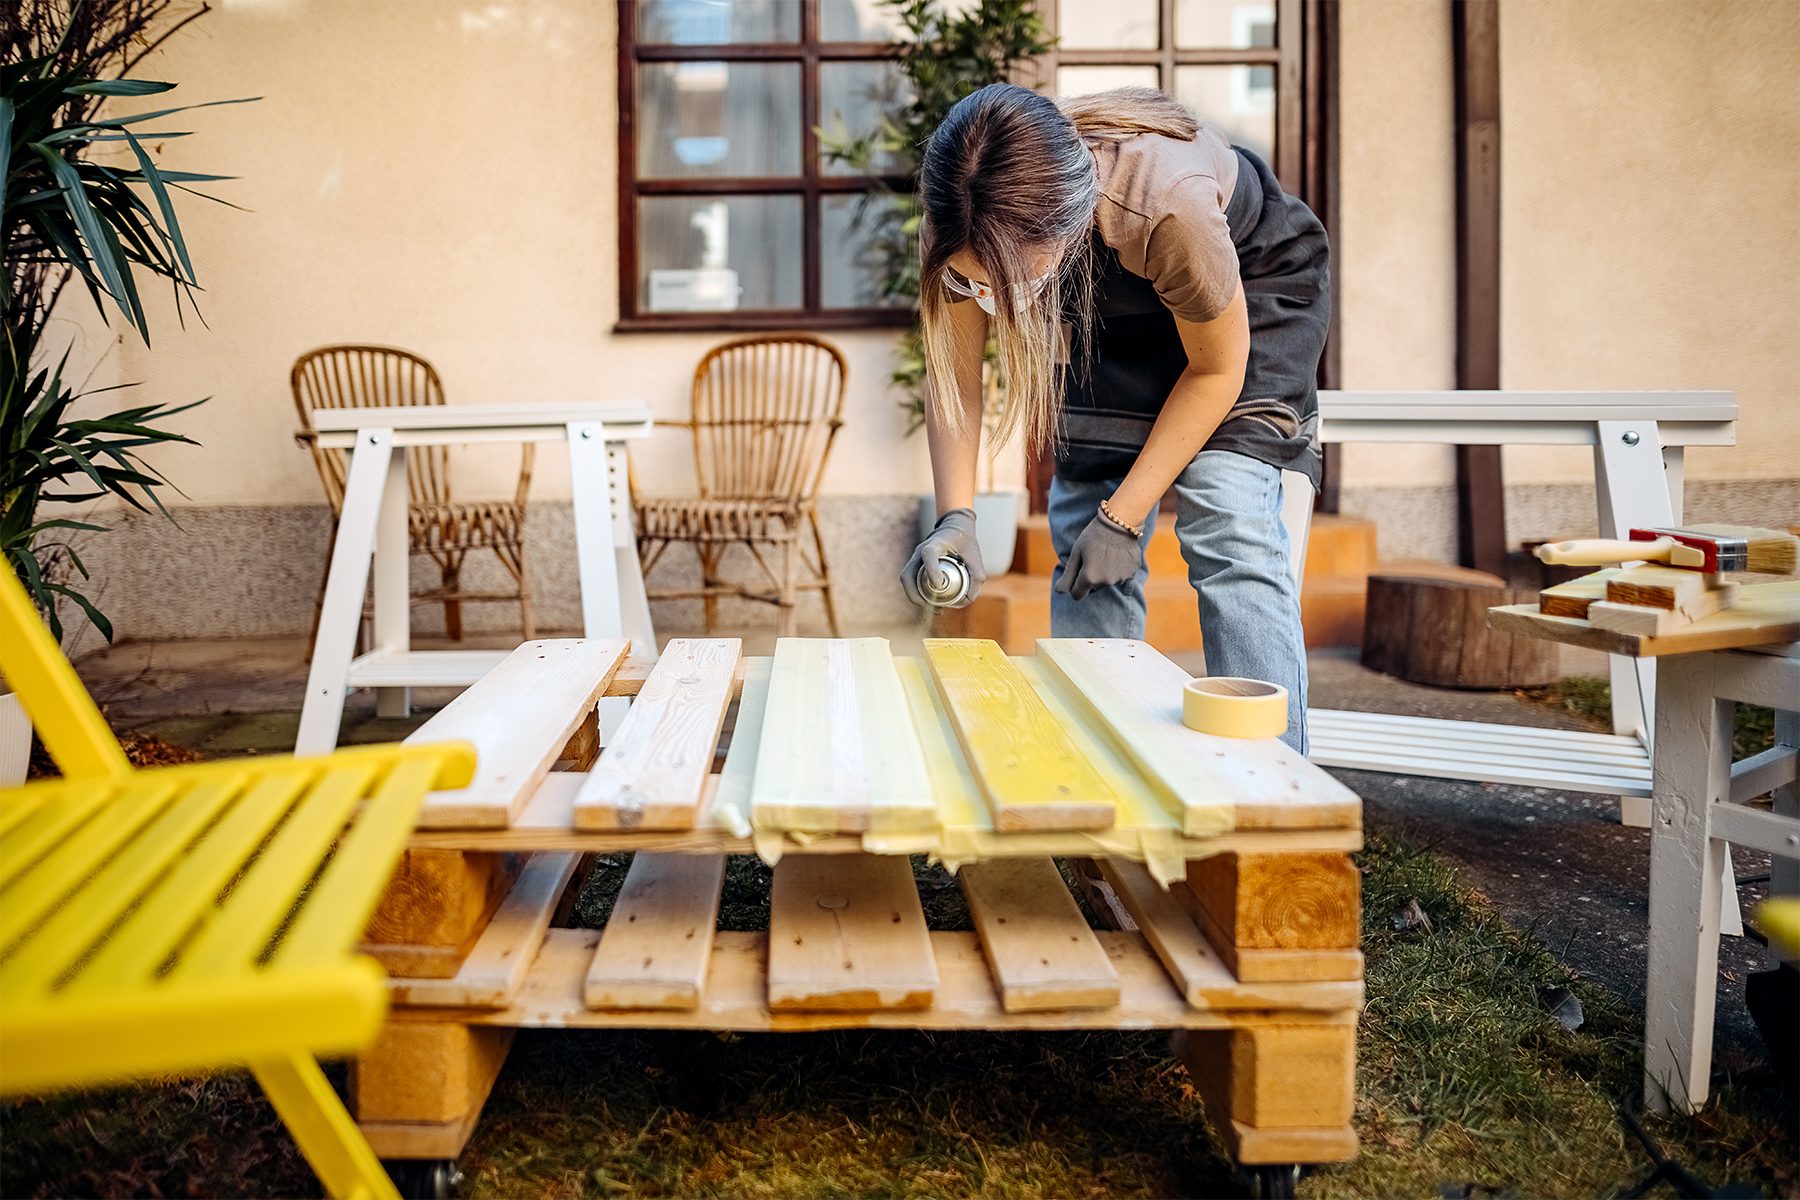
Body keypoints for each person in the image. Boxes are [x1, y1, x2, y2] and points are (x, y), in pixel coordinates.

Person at [898, 82, 1329, 752]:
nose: (987, 299)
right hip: (1112, 303)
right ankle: (1099, 771)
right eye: (973, 282)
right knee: (1084, 528)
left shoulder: (1165, 205)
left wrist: (1124, 517)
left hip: (1249, 292)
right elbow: (955, 380)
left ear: (1063, 227)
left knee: (1227, 512)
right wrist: (956, 518)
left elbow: (1214, 371)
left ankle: (1278, 793)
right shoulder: (963, 215)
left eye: (1002, 285)